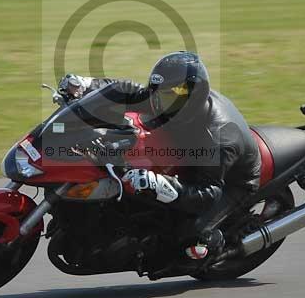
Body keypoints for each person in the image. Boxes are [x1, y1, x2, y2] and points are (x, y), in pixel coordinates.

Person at [59, 51, 261, 261]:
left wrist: (159, 184)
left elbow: (208, 192)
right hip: (189, 152)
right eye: (155, 93)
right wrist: (85, 85)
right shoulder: (169, 101)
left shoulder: (218, 136)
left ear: (190, 98)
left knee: (186, 235)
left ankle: (216, 245)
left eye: (163, 96)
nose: (155, 102)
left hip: (231, 181)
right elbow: (124, 90)